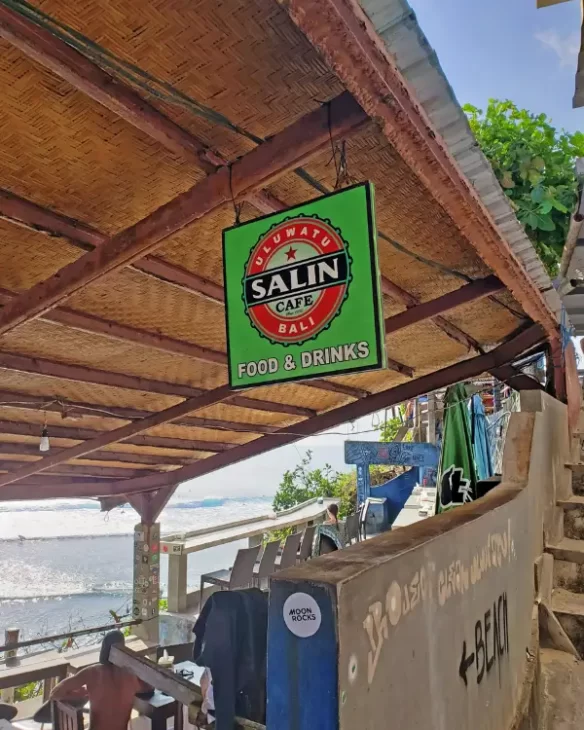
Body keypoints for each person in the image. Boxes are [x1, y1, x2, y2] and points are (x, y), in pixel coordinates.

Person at [49, 631, 149, 730]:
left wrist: (80, 695)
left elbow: (55, 693)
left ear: (103, 649)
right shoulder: (132, 675)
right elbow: (148, 689)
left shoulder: (92, 672)